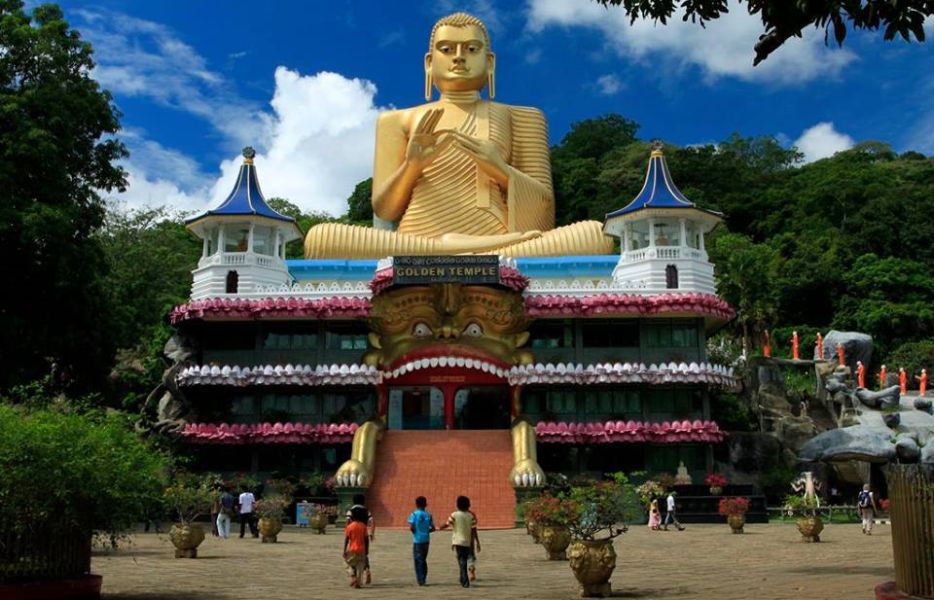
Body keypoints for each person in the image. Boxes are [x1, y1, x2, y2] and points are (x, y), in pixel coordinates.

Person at [303, 12, 613, 259]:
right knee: (321, 239)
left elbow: (543, 214)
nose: (459, 57)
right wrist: (412, 166)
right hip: (415, 242)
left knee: (596, 236)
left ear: (489, 62)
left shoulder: (522, 117)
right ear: (429, 63)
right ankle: (445, 252)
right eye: (447, 49)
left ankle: (452, 253)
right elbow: (385, 210)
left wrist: (502, 172)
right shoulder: (396, 120)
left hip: (501, 243)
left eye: (472, 49)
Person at [440, 496, 480, 588]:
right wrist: (477, 542)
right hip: (467, 542)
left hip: (458, 541)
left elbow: (447, 524)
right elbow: (474, 529)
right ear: (468, 505)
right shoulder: (470, 516)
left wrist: (440, 527)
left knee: (461, 560)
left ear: (457, 505)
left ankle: (464, 579)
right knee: (464, 559)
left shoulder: (454, 514)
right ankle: (463, 577)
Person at [344, 493, 375, 584]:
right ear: (363, 501)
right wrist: (372, 533)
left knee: (351, 559)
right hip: (363, 534)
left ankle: (353, 576)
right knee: (364, 556)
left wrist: (347, 530)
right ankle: (367, 570)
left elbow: (347, 521)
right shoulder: (366, 510)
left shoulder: (350, 510)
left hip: (353, 536)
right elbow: (372, 521)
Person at [407, 496, 435, 586]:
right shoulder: (429, 515)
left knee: (418, 560)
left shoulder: (414, 514)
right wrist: (426, 531)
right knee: (423, 559)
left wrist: (415, 532)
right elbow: (433, 528)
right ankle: (424, 576)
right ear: (426, 504)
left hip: (417, 540)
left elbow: (411, 527)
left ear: (416, 504)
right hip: (426, 539)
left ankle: (421, 579)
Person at [344, 506, 370, 588]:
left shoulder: (350, 526)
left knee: (347, 563)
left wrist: (344, 550)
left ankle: (352, 576)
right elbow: (366, 539)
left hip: (352, 549)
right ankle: (358, 582)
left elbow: (347, 539)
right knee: (360, 566)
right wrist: (367, 550)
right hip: (362, 549)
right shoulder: (363, 526)